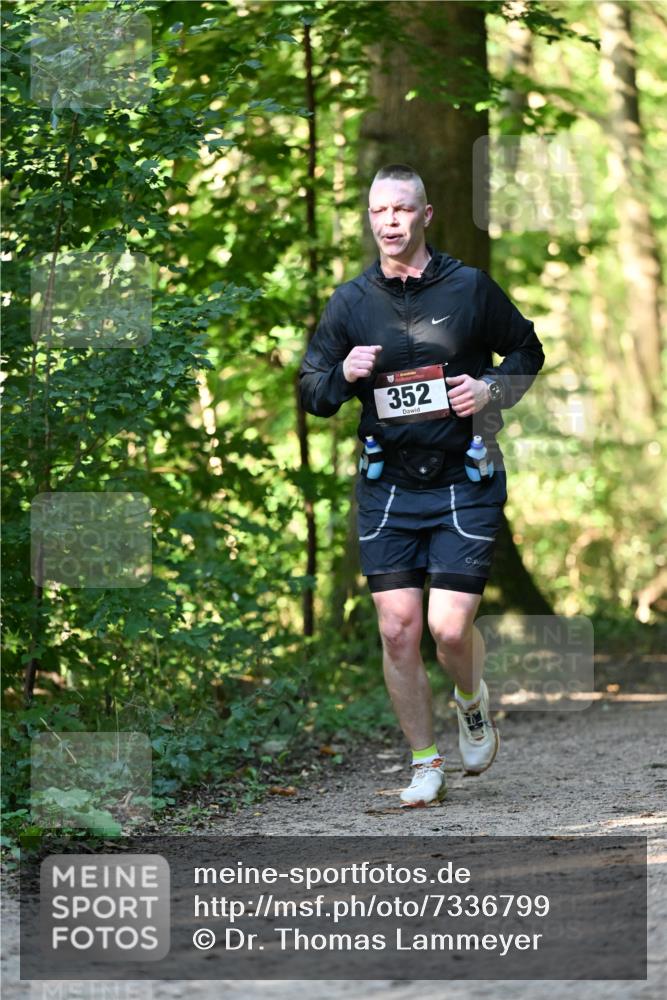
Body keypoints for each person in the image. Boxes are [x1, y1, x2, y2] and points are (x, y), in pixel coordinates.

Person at [299, 163, 545, 808]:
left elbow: (527, 350)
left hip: (464, 476)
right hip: (388, 484)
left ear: (425, 215)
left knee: (450, 630)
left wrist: (492, 389)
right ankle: (424, 764)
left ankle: (471, 700)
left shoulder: (469, 288)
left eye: (402, 210)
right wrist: (343, 374)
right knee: (398, 629)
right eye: (379, 212)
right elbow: (312, 391)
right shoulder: (351, 303)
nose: (389, 223)